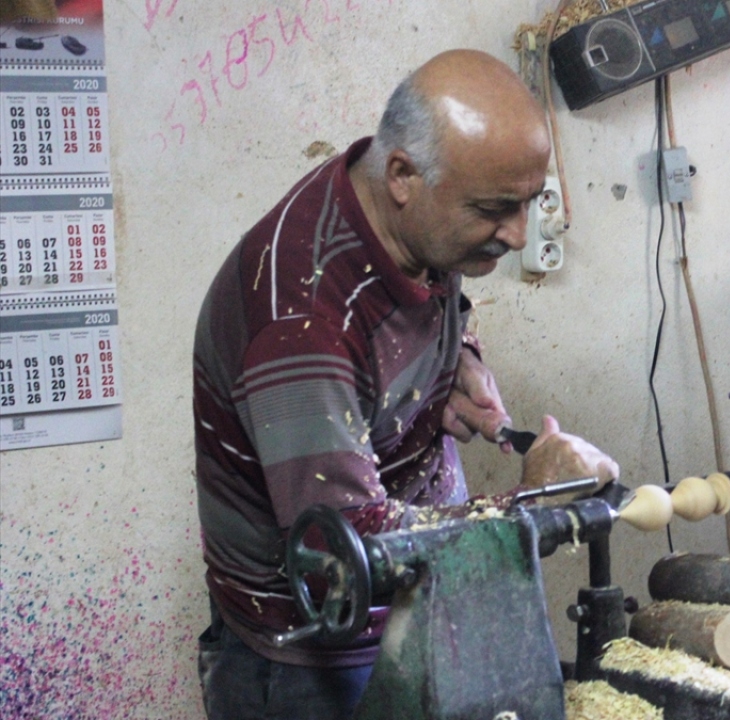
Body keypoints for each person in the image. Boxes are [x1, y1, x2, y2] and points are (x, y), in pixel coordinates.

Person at [191, 49, 619, 719]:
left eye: (529, 203)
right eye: (494, 210)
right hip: (323, 653)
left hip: (424, 604)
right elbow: (354, 546)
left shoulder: (406, 216)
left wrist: (458, 362)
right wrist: (534, 503)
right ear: (402, 175)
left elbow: (427, 292)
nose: (516, 233)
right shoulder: (299, 321)